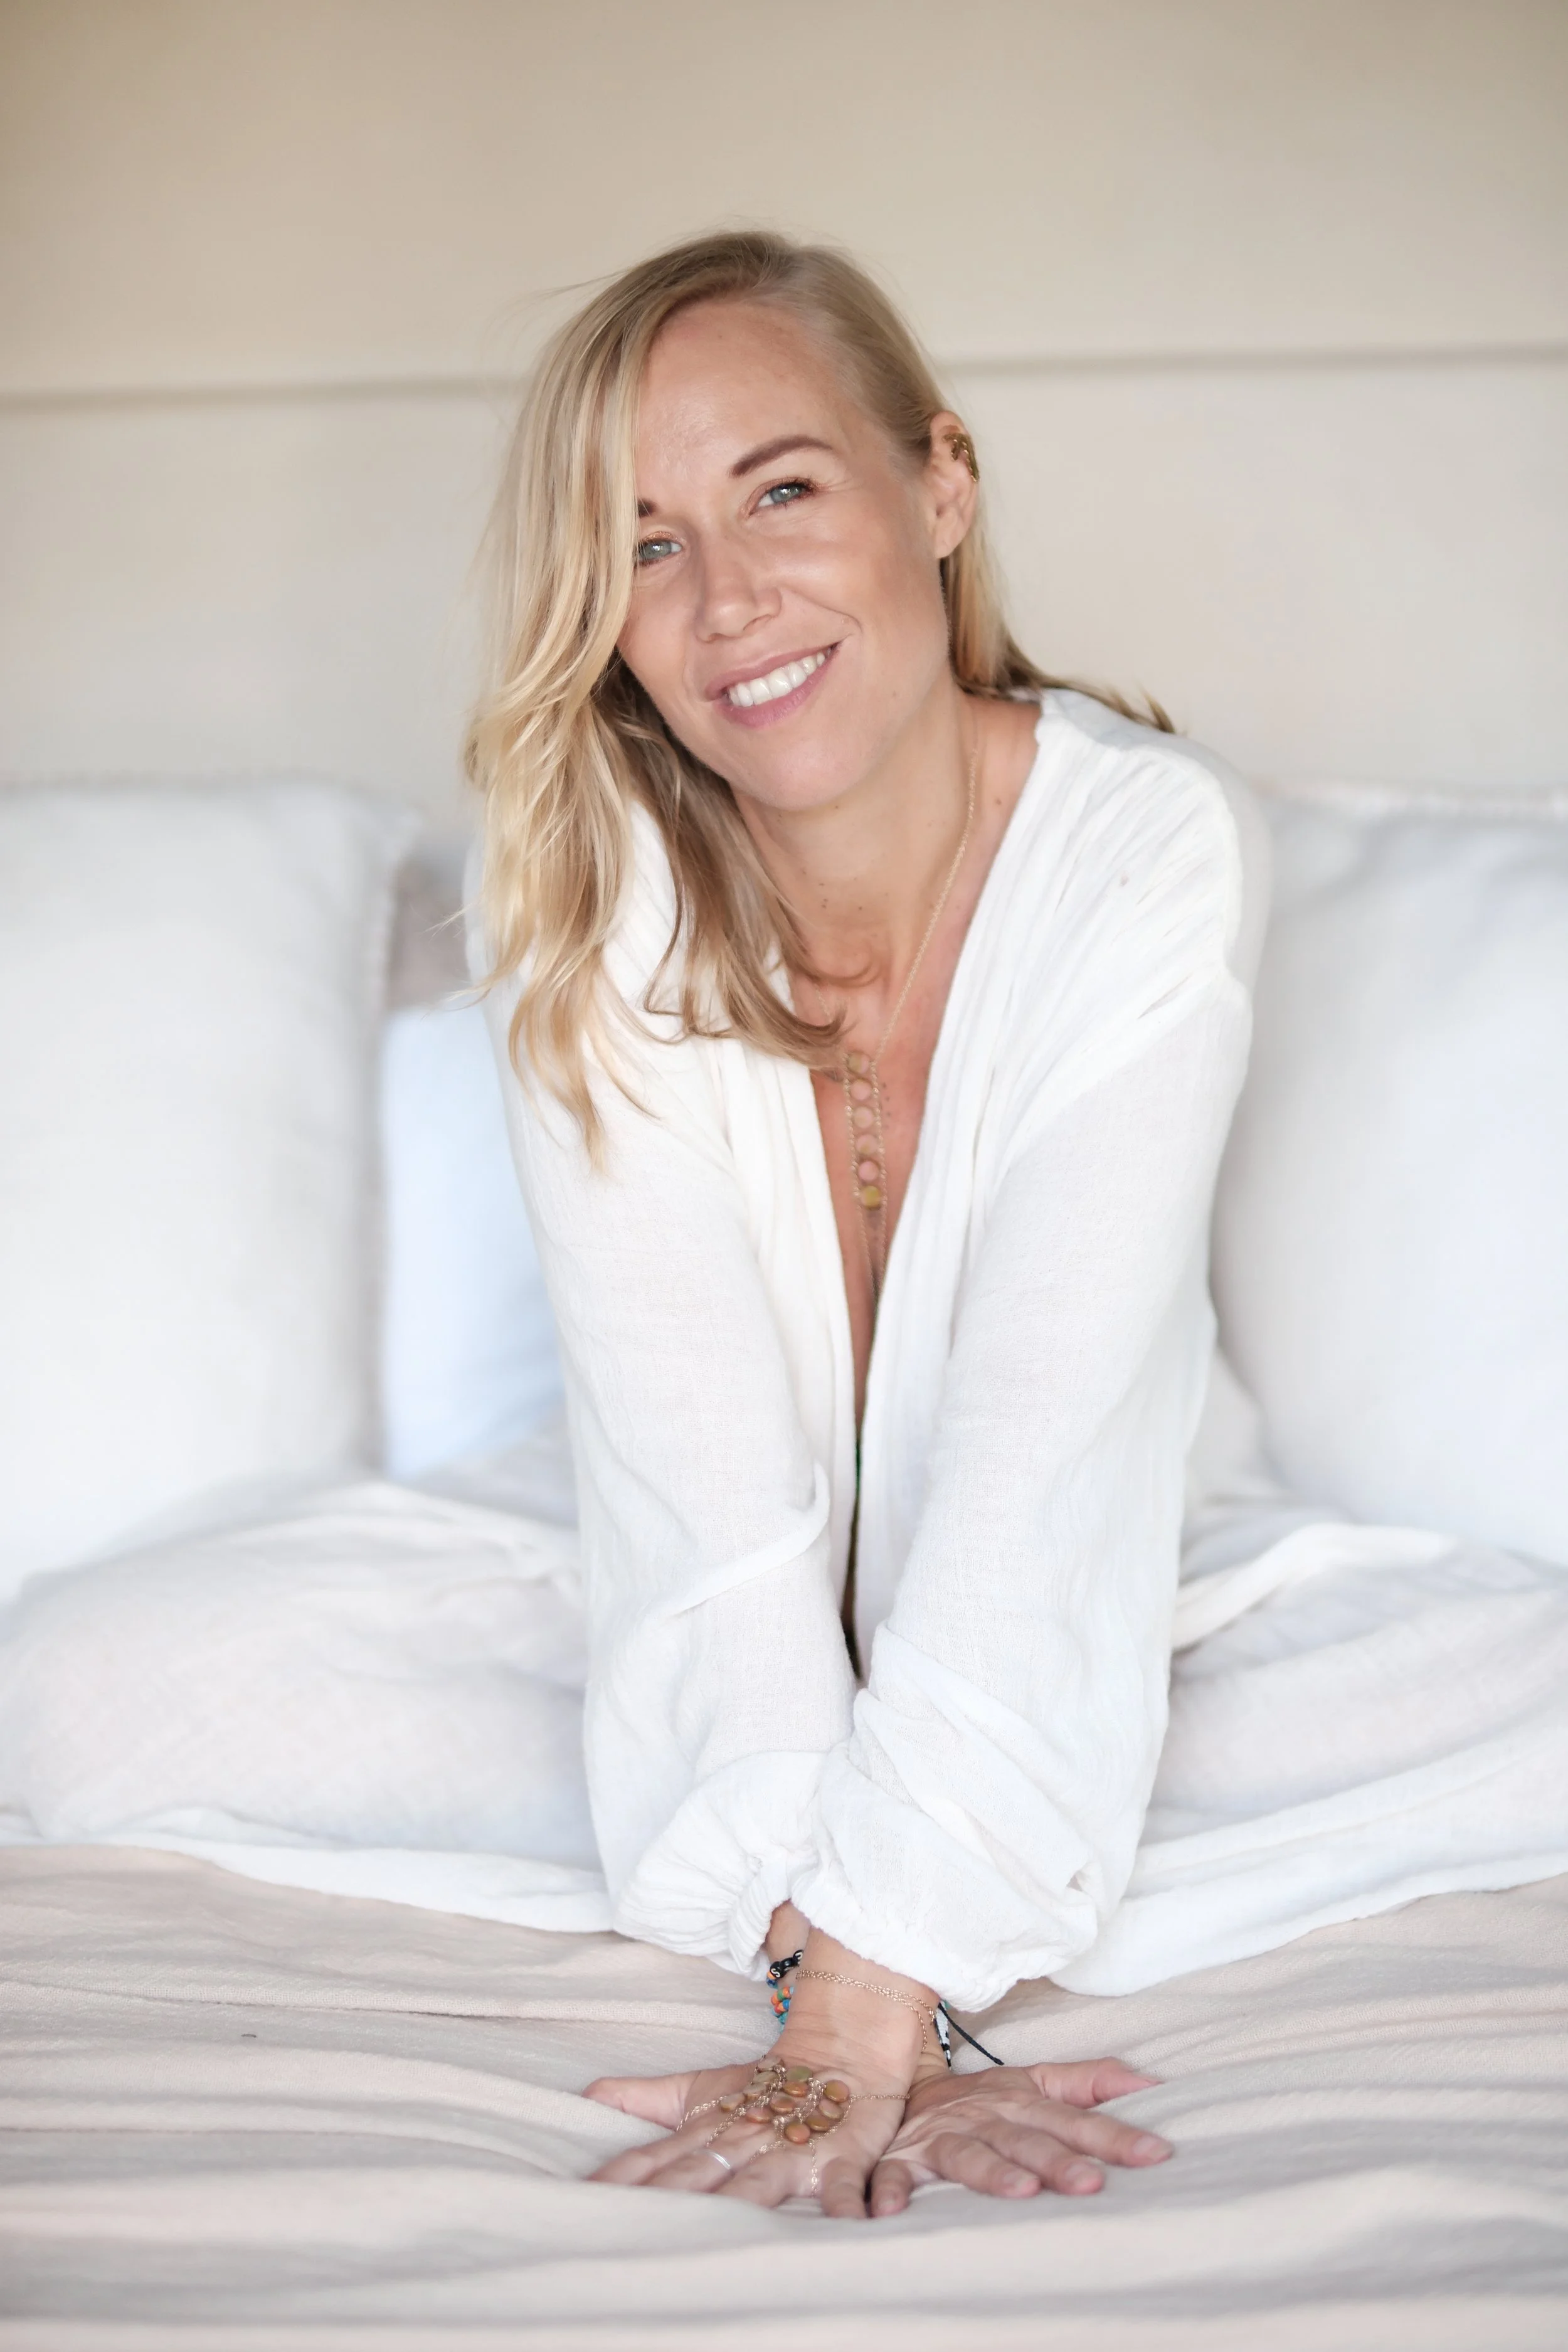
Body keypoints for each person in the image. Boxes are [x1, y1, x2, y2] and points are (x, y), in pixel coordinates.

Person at [465, 231, 1568, 2220]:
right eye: (642, 546)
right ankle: (936, 1875)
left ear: (940, 486)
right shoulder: (575, 885)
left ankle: (948, 1856)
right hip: (696, 1601)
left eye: (781, 490)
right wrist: (846, 1983)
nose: (726, 601)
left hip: (1102, 1564)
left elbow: (1048, 1458)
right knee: (99, 1688)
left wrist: (867, 1992)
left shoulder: (1141, 845)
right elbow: (694, 1500)